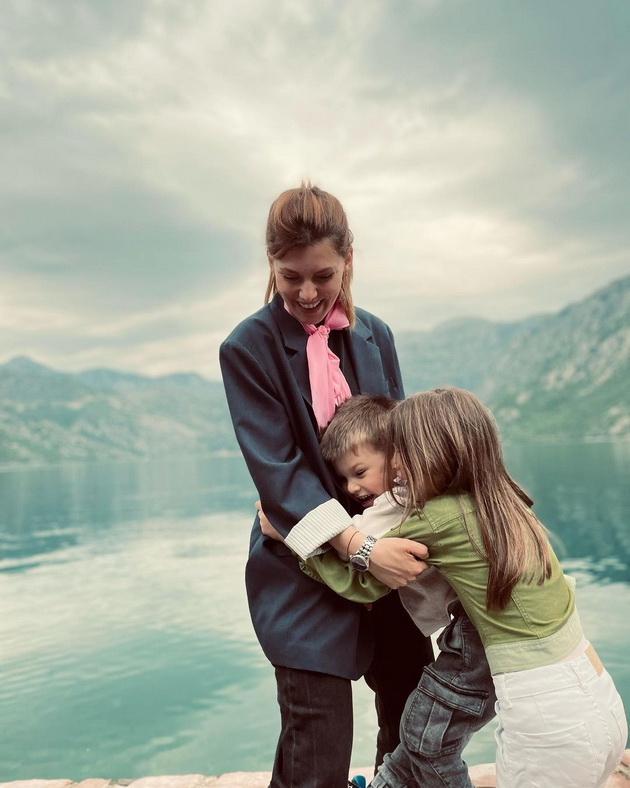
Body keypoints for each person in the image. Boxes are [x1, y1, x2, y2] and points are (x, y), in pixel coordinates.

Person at [219, 183, 434, 788]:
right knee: (319, 746)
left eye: (323, 275)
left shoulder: (376, 336)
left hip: (387, 558)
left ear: (348, 261)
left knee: (412, 712)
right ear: (271, 265)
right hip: (302, 565)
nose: (308, 293)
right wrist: (359, 548)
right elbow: (280, 474)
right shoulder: (246, 348)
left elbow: (397, 447)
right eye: (291, 277)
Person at [304, 388, 628, 788]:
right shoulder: (505, 499)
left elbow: (365, 581)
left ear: (431, 450)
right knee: (421, 736)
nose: (397, 465)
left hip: (550, 720)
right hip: (596, 696)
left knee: (425, 737)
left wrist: (307, 543)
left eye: (403, 450)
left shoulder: (437, 516)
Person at [295, 393, 496, 787]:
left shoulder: (399, 506)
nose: (351, 488)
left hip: (474, 644)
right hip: (475, 635)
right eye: (342, 479)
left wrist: (295, 539)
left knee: (424, 737)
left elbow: (356, 571)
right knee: (417, 736)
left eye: (359, 471)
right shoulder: (451, 492)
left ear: (398, 456)